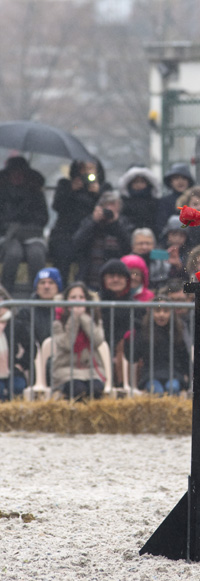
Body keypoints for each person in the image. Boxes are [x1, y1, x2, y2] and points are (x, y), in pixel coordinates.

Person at [48, 158, 104, 285]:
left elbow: (106, 210)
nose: (86, 172)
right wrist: (71, 190)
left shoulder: (103, 187)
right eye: (82, 168)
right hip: (65, 233)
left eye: (90, 168)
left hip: (90, 234)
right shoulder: (65, 184)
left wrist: (97, 194)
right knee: (62, 256)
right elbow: (57, 207)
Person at [0, 155, 49, 294]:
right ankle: (5, 294)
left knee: (36, 254)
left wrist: (28, 216)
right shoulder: (2, 194)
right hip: (8, 236)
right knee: (13, 254)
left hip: (32, 235)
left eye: (20, 173)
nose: (17, 176)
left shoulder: (35, 194)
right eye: (14, 173)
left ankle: (38, 294)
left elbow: (43, 218)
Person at [51, 282, 106, 400]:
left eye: (81, 297)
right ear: (66, 300)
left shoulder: (95, 318)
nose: (78, 301)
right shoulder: (58, 322)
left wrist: (84, 318)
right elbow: (67, 344)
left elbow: (98, 340)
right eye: (73, 297)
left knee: (96, 389)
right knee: (79, 389)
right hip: (66, 369)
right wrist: (75, 318)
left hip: (91, 369)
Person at [132, 288, 191, 395]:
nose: (161, 315)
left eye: (165, 311)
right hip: (150, 374)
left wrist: (188, 376)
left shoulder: (177, 332)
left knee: (173, 388)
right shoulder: (144, 332)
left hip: (174, 373)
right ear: (151, 313)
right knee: (156, 390)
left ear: (171, 313)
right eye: (158, 311)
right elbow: (135, 356)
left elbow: (184, 357)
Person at [73, 190, 131, 290]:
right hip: (89, 279)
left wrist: (115, 224)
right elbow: (77, 243)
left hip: (114, 281)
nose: (109, 208)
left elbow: (128, 247)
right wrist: (93, 222)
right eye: (106, 205)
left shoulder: (124, 223)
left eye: (113, 204)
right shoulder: (89, 222)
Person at [117, 166, 161, 235]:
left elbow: (157, 222)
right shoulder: (124, 202)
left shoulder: (155, 202)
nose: (139, 184)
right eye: (135, 182)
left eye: (142, 182)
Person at [156, 162, 194, 237]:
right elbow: (161, 225)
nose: (180, 182)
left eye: (184, 178)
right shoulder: (164, 202)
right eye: (176, 178)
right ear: (171, 182)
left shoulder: (195, 199)